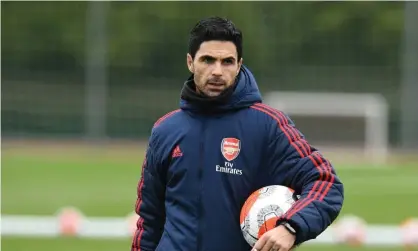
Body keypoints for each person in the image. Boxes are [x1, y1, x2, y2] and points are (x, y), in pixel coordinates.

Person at [131, 16, 344, 251]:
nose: (217, 71)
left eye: (227, 62)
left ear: (239, 64)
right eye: (208, 60)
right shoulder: (166, 130)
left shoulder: (268, 125)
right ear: (190, 62)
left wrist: (290, 227)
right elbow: (149, 222)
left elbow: (325, 182)